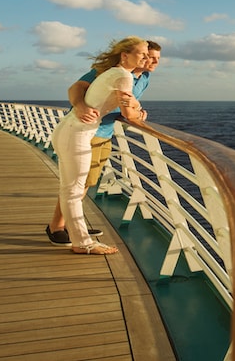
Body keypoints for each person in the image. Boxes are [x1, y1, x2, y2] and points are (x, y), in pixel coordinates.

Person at [45, 41, 162, 246]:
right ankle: (57, 226)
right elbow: (77, 87)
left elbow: (130, 104)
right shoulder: (110, 71)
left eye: (156, 58)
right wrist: (80, 105)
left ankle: (72, 223)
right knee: (77, 185)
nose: (153, 61)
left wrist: (139, 111)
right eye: (149, 56)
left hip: (105, 132)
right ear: (128, 55)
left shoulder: (144, 78)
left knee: (87, 183)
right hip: (89, 131)